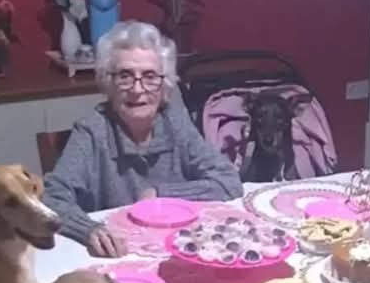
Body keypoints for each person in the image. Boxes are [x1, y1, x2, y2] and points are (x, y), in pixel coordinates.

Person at [43, 20, 243, 256]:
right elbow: (51, 198)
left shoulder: (175, 122)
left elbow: (228, 182)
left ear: (164, 84)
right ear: (109, 83)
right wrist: (88, 230)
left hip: (174, 248)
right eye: (125, 76)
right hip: (116, 256)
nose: (137, 90)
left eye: (149, 77)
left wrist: (161, 194)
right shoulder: (92, 131)